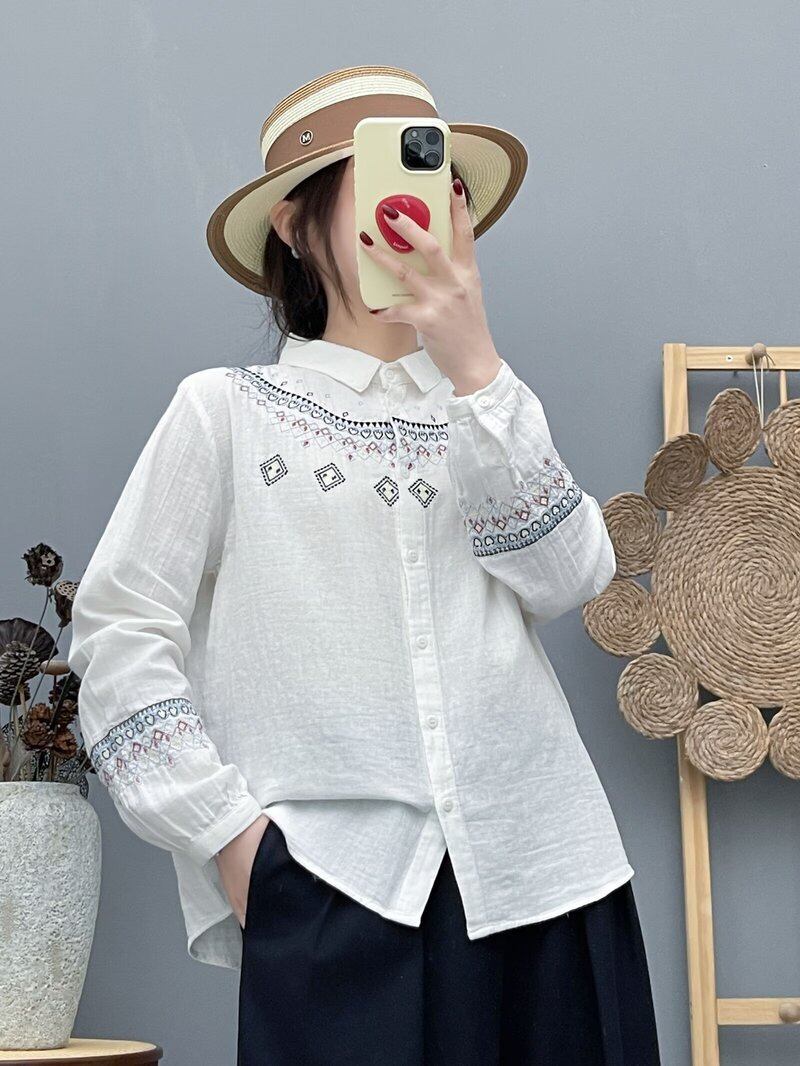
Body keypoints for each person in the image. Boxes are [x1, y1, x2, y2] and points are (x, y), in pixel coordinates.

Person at [68, 64, 661, 1065]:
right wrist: (229, 837)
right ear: (295, 226)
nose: (413, 208)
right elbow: (119, 633)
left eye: (437, 182)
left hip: (547, 883)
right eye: (378, 177)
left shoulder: (485, 410)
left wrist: (473, 362)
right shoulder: (223, 412)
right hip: (331, 886)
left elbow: (570, 579)